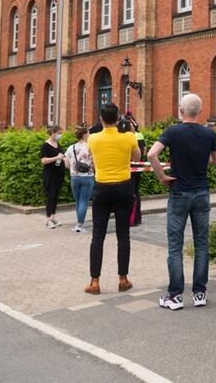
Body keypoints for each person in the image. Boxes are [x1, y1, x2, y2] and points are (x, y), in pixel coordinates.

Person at [147, 94, 216, 311]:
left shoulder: (172, 131)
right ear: (199, 111)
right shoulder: (209, 133)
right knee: (201, 243)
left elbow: (152, 154)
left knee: (175, 245)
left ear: (181, 110)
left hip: (179, 192)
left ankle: (175, 296)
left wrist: (161, 176)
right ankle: (199, 293)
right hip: (201, 192)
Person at [85, 103, 140, 294]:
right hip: (123, 188)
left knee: (97, 236)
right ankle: (123, 279)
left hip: (101, 189)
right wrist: (130, 132)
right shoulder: (129, 137)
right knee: (123, 235)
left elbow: (91, 157)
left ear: (101, 119)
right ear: (118, 118)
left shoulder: (93, 138)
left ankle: (94, 282)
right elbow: (137, 157)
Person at [64, 126, 94, 233]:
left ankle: (78, 224)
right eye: (89, 133)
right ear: (85, 134)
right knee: (84, 201)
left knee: (78, 201)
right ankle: (80, 225)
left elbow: (67, 164)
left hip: (75, 177)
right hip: (88, 177)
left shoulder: (70, 148)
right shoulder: (90, 147)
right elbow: (94, 163)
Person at [40, 125, 66, 229]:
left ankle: (53, 217)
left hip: (58, 174)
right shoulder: (45, 145)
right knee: (51, 195)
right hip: (50, 174)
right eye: (59, 133)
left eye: (61, 133)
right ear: (53, 133)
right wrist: (56, 158)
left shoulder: (57, 144)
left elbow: (62, 157)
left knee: (56, 196)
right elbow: (43, 160)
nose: (60, 135)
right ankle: (48, 219)